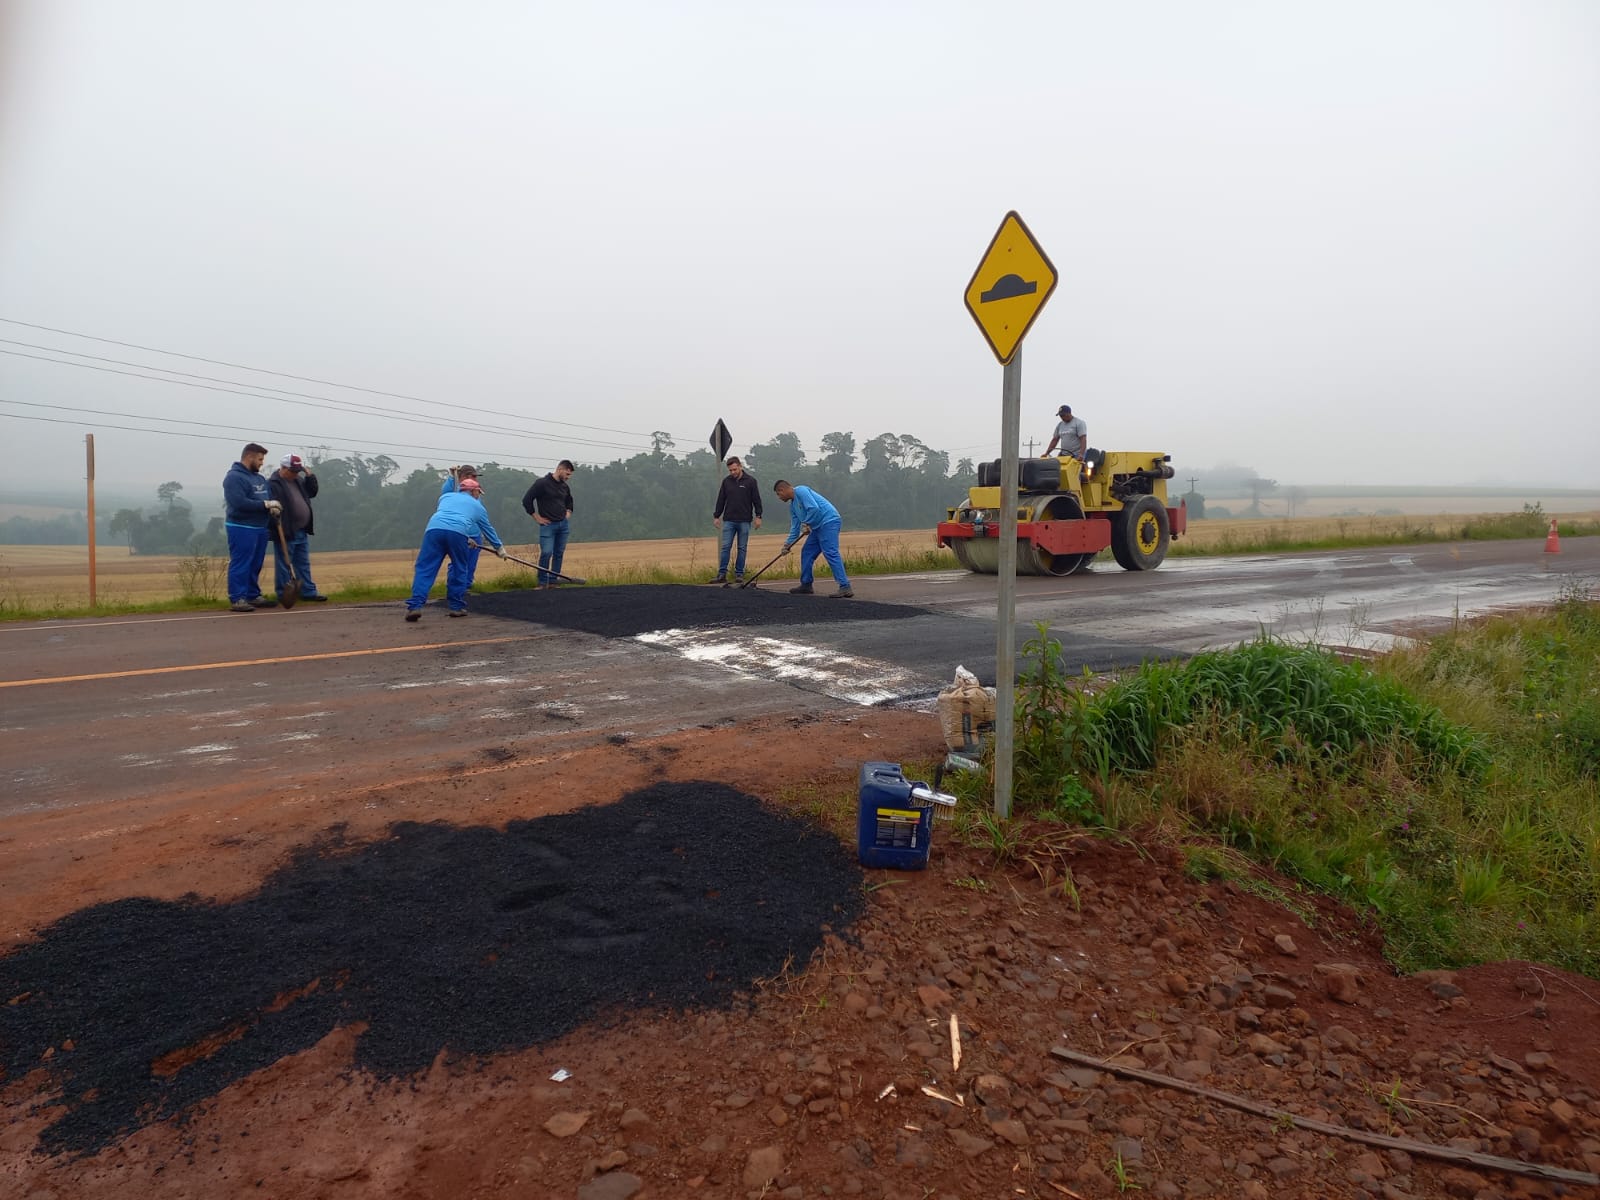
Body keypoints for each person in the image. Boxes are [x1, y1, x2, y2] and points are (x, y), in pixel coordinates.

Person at [404, 477, 506, 621]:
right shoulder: (478, 507)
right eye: (478, 492)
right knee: (459, 567)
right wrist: (499, 548)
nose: (478, 495)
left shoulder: (445, 497)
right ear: (473, 491)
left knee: (425, 568)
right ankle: (456, 607)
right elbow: (487, 529)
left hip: (434, 529)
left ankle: (415, 606)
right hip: (458, 533)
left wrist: (466, 537)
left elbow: (450, 516)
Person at [222, 442, 282, 612]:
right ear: (249, 457)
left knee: (255, 563)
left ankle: (252, 595)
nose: (262, 462)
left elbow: (267, 498)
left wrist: (273, 509)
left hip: (260, 527)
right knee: (241, 562)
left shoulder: (259, 478)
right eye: (260, 459)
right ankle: (237, 598)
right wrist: (265, 504)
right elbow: (238, 502)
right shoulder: (234, 477)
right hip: (241, 526)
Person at [773, 479, 852, 599]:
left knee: (830, 552)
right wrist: (787, 545)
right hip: (817, 527)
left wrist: (807, 523)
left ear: (782, 490)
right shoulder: (793, 507)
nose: (779, 497)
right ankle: (806, 584)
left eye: (778, 494)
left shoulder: (801, 490)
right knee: (807, 552)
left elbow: (814, 508)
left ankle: (845, 586)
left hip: (829, 521)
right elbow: (795, 528)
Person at [268, 454, 326, 601]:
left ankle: (308, 592)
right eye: (292, 471)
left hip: (301, 529)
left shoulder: (298, 480)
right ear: (283, 468)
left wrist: (309, 475)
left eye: (297, 471)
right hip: (286, 530)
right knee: (284, 564)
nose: (295, 474)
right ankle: (284, 594)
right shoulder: (274, 483)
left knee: (303, 563)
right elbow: (272, 505)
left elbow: (312, 492)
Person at [522, 460, 575, 588]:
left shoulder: (564, 486)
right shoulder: (542, 483)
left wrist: (569, 512)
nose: (568, 478)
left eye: (569, 475)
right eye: (567, 474)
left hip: (563, 525)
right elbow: (527, 500)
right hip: (548, 525)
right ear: (560, 469)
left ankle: (553, 581)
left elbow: (569, 500)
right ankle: (542, 582)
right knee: (546, 552)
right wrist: (536, 517)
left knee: (559, 553)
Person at [711, 456, 763, 583]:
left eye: (734, 469)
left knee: (742, 548)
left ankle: (739, 574)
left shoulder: (751, 481)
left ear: (740, 466)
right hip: (729, 520)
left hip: (744, 520)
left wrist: (758, 516)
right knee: (725, 547)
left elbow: (756, 500)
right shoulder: (726, 482)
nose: (732, 472)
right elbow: (721, 499)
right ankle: (721, 574)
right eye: (730, 470)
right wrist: (717, 516)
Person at [441, 465, 482, 584]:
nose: (476, 479)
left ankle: (467, 586)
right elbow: (445, 492)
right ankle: (454, 586)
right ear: (464, 476)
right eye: (473, 476)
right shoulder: (456, 491)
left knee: (471, 564)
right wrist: (451, 476)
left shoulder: (476, 491)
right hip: (459, 533)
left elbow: (479, 515)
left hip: (475, 534)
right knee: (458, 563)